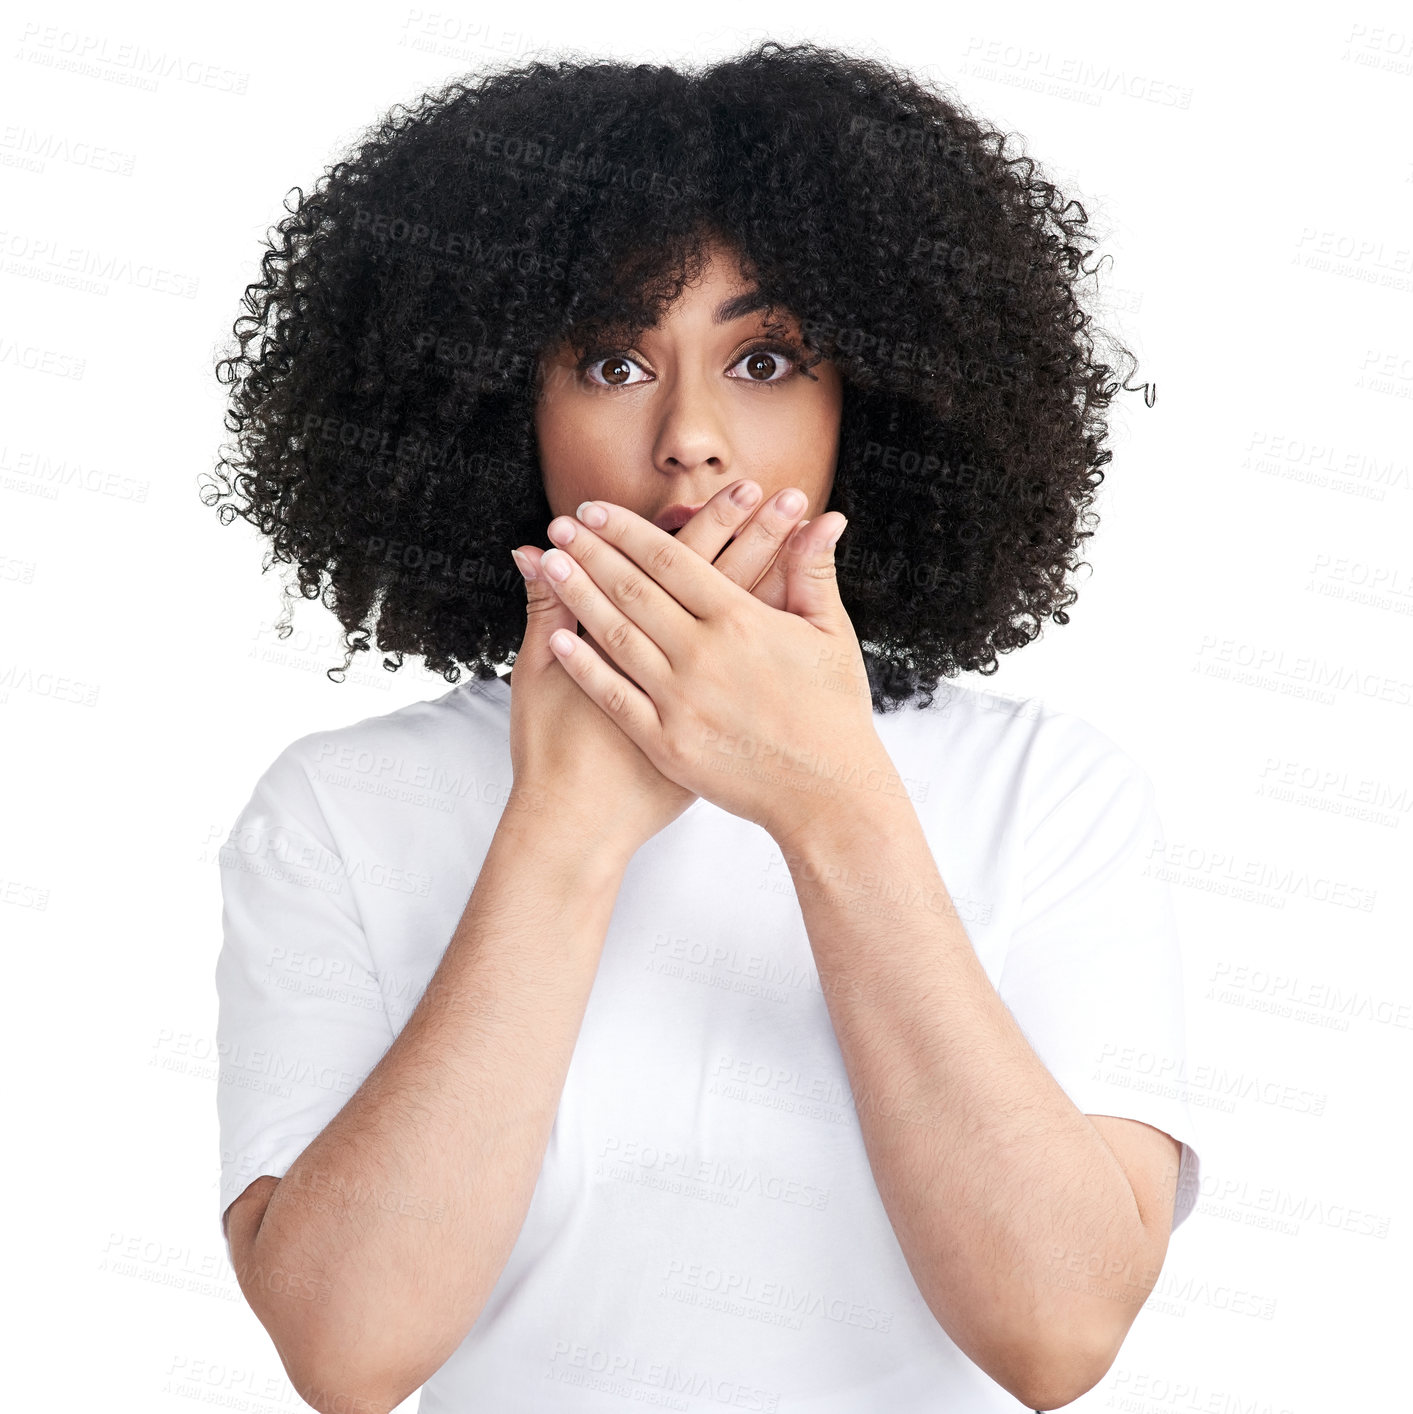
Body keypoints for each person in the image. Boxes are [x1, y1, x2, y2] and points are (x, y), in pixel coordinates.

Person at [205, 39, 1201, 1414]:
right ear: (503, 405)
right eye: (614, 361)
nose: (690, 439)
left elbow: (1056, 1332)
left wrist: (830, 798)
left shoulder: (1040, 788)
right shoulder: (340, 806)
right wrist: (560, 829)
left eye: (768, 358)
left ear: (873, 401)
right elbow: (350, 1353)